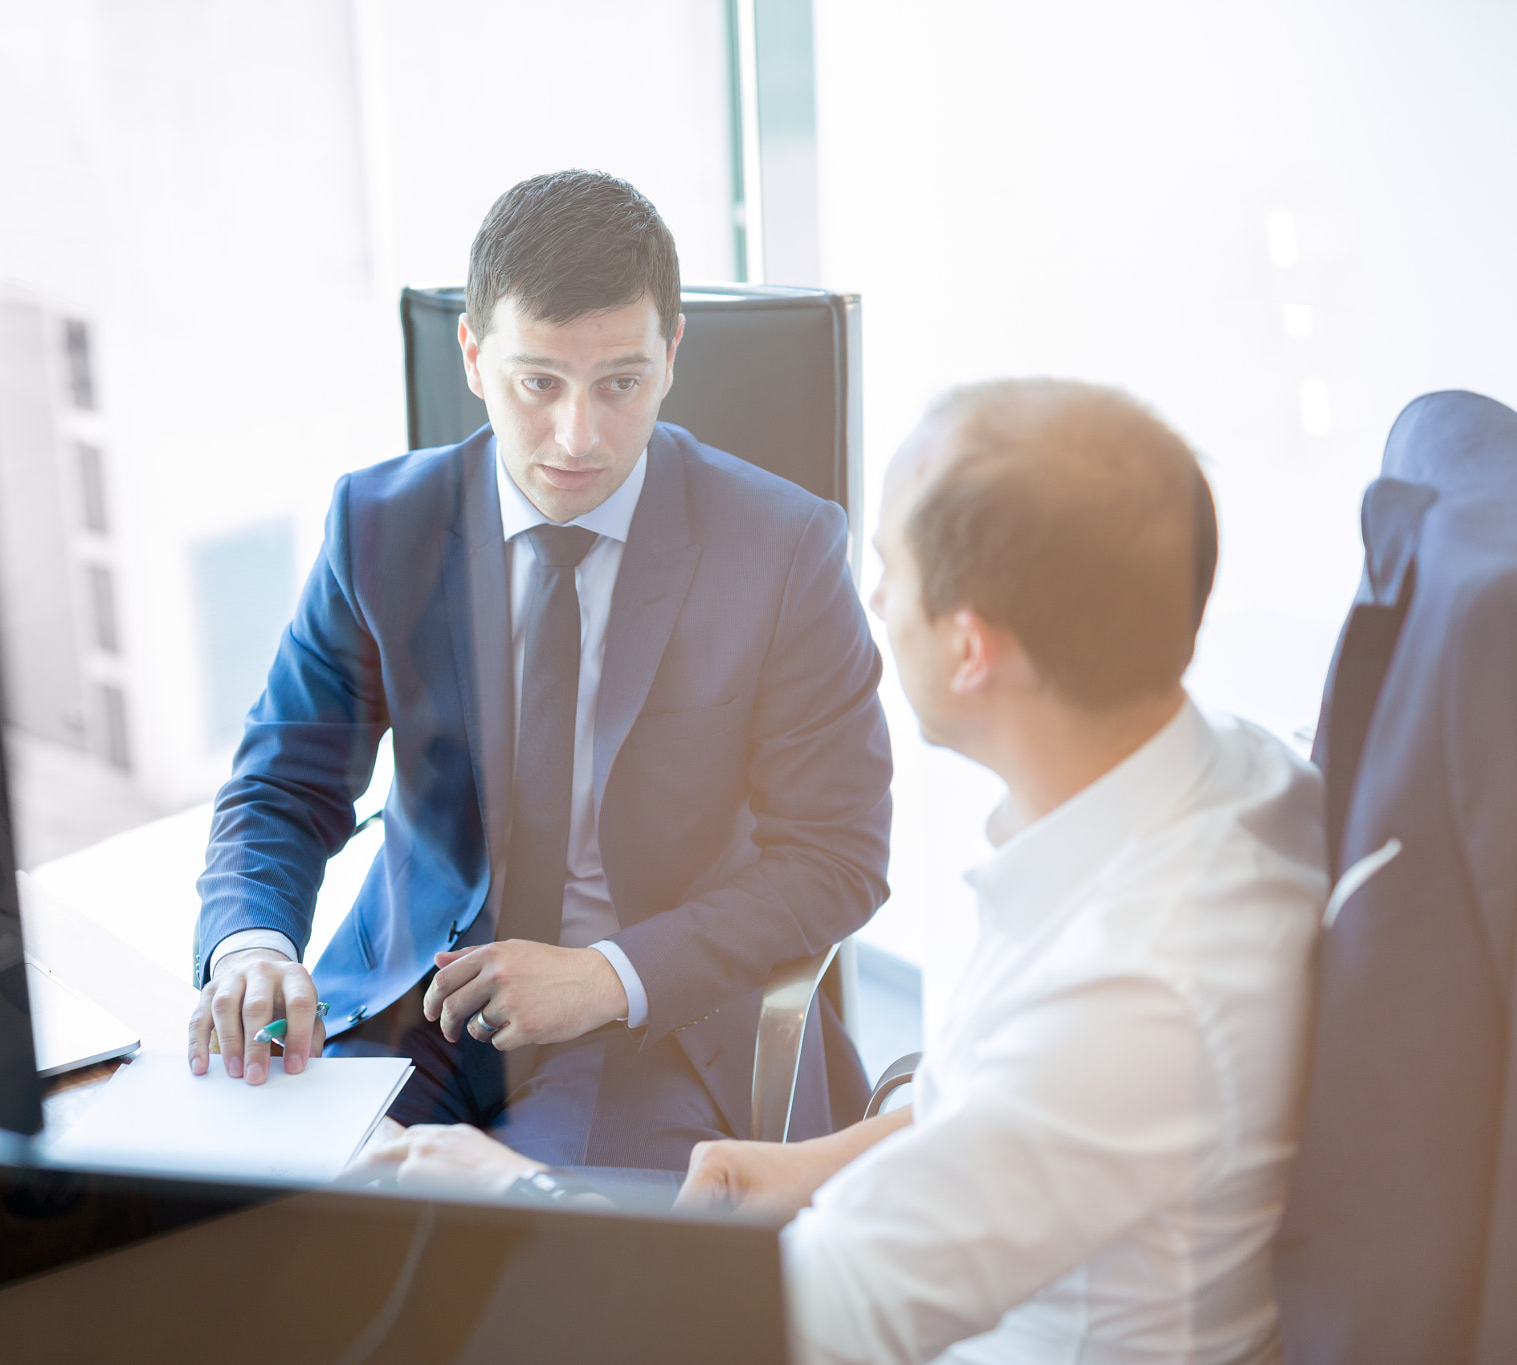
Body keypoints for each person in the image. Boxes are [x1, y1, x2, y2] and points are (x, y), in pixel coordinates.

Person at [360, 378, 1328, 1364]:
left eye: (889, 573)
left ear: (969, 649)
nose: (869, 601)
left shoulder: (1129, 991)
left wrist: (510, 1195)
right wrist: (809, 1166)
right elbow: (1018, 1115)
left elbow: (787, 1325)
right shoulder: (1233, 773)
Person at [188, 169, 892, 1172]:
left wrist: (606, 975)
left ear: (670, 354)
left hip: (646, 1027)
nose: (578, 437)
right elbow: (281, 782)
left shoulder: (782, 549)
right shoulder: (378, 526)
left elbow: (836, 855)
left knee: (558, 1289)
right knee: (280, 1245)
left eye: (619, 383)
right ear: (472, 357)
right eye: (537, 383)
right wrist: (251, 946)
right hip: (407, 1004)